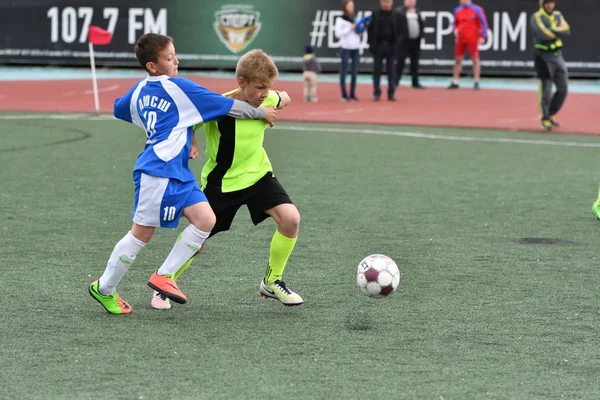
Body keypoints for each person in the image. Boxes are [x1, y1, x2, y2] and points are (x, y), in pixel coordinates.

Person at [88, 33, 277, 314]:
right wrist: (261, 112)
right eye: (169, 57)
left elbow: (119, 108)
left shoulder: (139, 90)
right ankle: (104, 288)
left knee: (206, 220)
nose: (176, 60)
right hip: (157, 170)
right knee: (141, 235)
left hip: (179, 172)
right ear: (153, 66)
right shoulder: (179, 87)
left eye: (175, 54)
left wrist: (176, 128)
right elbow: (230, 107)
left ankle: (164, 276)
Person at [150, 49, 303, 310]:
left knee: (291, 219)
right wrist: (193, 142)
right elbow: (188, 123)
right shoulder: (219, 106)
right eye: (259, 88)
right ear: (241, 83)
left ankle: (272, 281)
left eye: (268, 88)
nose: (264, 93)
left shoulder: (267, 97)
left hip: (258, 176)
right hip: (222, 183)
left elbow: (284, 97)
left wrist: (279, 101)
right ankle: (165, 282)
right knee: (198, 242)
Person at [531, 0, 570, 132]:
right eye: (547, 3)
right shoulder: (537, 16)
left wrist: (553, 30)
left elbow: (566, 30)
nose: (549, 5)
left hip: (557, 55)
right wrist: (557, 31)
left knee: (563, 88)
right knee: (546, 89)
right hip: (543, 56)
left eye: (552, 2)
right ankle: (545, 118)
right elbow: (542, 34)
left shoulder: (558, 15)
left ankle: (551, 114)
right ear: (542, 3)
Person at [448, 0, 488, 90]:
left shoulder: (477, 9)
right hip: (461, 39)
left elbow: (483, 23)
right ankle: (455, 81)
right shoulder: (457, 10)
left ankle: (476, 82)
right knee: (458, 60)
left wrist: (483, 36)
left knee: (475, 60)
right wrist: (454, 30)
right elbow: (454, 23)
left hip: (473, 38)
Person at [367, 0, 400, 101]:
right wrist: (372, 45)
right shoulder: (375, 14)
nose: (386, 4)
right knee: (377, 71)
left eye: (388, 1)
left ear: (392, 2)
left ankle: (391, 93)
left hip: (391, 46)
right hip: (378, 46)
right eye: (384, 1)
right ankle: (376, 92)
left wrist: (397, 45)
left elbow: (400, 30)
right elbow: (370, 30)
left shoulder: (396, 15)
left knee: (392, 71)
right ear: (381, 2)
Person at [335, 0, 361, 102]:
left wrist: (360, 30)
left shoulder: (355, 18)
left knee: (354, 72)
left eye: (352, 6)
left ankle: (352, 94)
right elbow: (338, 34)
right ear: (345, 7)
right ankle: (344, 94)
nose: (351, 7)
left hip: (356, 48)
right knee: (344, 72)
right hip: (345, 48)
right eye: (349, 6)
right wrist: (350, 28)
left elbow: (357, 32)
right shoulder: (340, 19)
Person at [395, 0, 425, 89]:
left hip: (415, 41)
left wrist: (421, 35)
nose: (411, 2)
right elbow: (396, 27)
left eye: (413, 0)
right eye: (409, 0)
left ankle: (415, 82)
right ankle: (396, 81)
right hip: (404, 42)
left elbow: (421, 25)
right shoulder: (399, 12)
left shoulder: (418, 12)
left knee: (415, 62)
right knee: (400, 62)